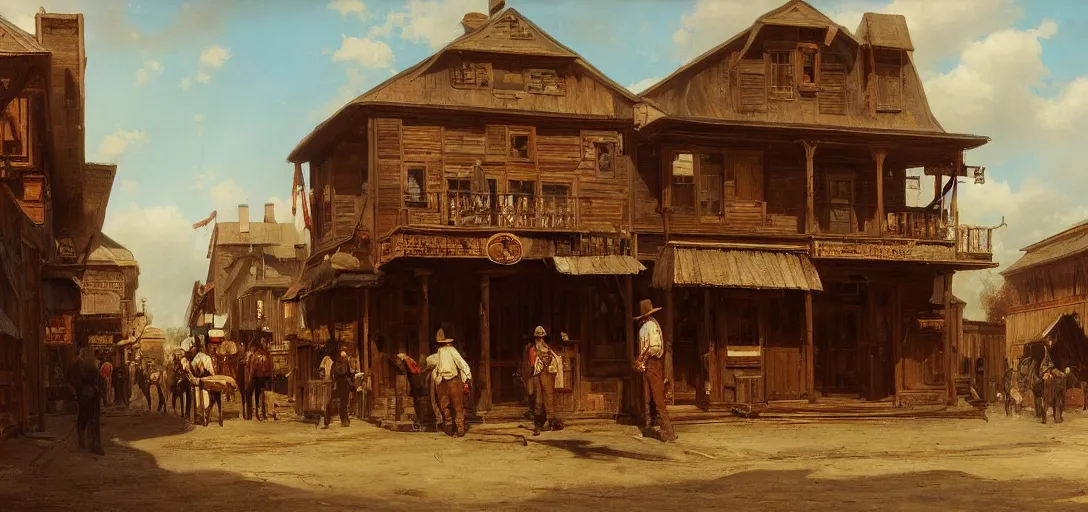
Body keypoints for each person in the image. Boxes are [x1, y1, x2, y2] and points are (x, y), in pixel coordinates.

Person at [634, 299, 676, 442]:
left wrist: (642, 360)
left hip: (652, 363)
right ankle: (648, 427)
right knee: (647, 396)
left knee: (657, 398)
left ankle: (669, 432)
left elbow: (654, 347)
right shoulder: (647, 326)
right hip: (649, 363)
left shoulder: (650, 326)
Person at [428, 328, 471, 437]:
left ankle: (451, 428)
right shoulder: (451, 351)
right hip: (453, 382)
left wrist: (437, 379)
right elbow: (462, 364)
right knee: (457, 407)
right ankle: (459, 430)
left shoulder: (439, 353)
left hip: (443, 382)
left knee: (445, 407)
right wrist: (467, 378)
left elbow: (433, 368)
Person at [68, 348, 104, 455]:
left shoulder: (75, 366)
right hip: (91, 395)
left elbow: (71, 380)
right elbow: (97, 381)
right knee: (92, 420)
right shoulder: (90, 366)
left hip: (83, 396)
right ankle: (93, 445)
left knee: (83, 418)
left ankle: (82, 442)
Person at [528, 326, 563, 436]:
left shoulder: (549, 350)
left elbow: (556, 362)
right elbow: (532, 364)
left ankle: (550, 420)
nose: (540, 340)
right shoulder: (533, 350)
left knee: (548, 397)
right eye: (538, 338)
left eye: (541, 338)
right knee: (538, 398)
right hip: (537, 376)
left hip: (547, 376)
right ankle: (538, 422)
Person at [325, 350, 353, 428]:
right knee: (344, 403)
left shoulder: (334, 363)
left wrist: (334, 383)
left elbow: (331, 374)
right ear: (344, 357)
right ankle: (344, 420)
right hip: (344, 384)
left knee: (331, 401)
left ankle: (327, 420)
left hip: (336, 384)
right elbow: (349, 374)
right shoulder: (346, 363)